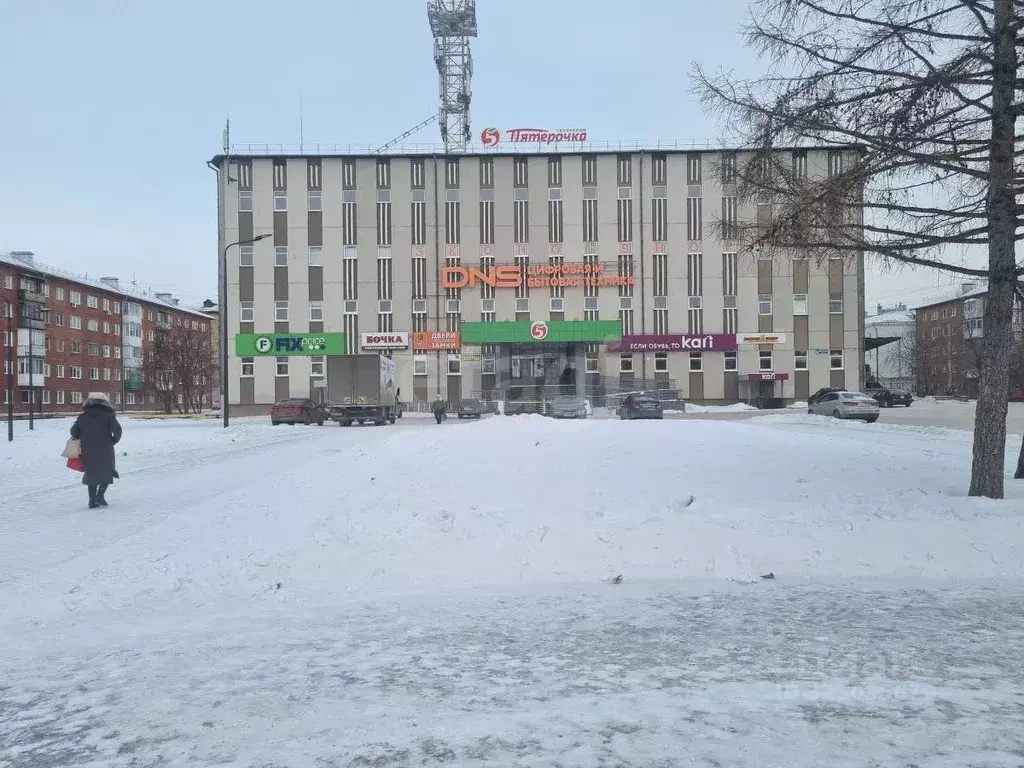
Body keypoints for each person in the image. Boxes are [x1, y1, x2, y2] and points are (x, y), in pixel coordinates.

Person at [70, 392, 123, 509]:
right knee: (107, 471)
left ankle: (92, 501)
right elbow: (118, 431)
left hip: (87, 449)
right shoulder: (109, 415)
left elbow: (73, 431)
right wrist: (113, 441)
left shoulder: (83, 416)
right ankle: (100, 496)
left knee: (91, 473)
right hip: (105, 448)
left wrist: (81, 437)